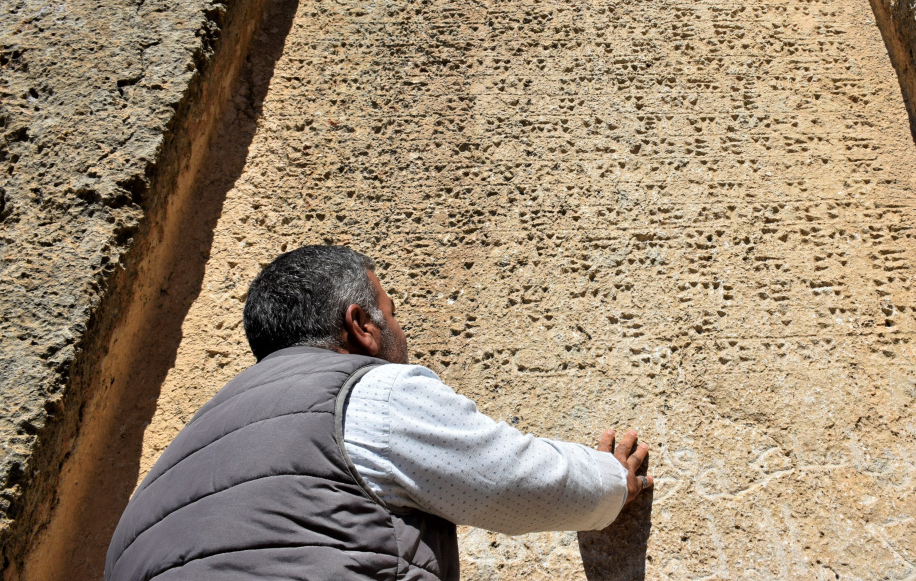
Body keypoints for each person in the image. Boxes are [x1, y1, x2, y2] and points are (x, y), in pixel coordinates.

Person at [104, 245, 652, 581]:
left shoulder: (162, 476)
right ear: (361, 325)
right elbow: (510, 479)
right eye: (392, 313)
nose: (401, 331)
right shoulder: (365, 395)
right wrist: (609, 482)